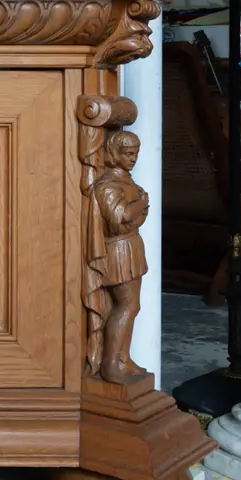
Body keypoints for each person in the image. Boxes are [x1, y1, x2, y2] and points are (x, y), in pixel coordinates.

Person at [92, 130, 149, 384]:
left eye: (136, 153)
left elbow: (138, 219)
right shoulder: (108, 185)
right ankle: (110, 364)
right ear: (114, 153)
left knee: (132, 305)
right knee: (127, 305)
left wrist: (138, 207)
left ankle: (123, 358)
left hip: (131, 246)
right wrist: (141, 202)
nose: (133, 158)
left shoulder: (127, 182)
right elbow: (120, 220)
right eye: (128, 153)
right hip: (118, 251)